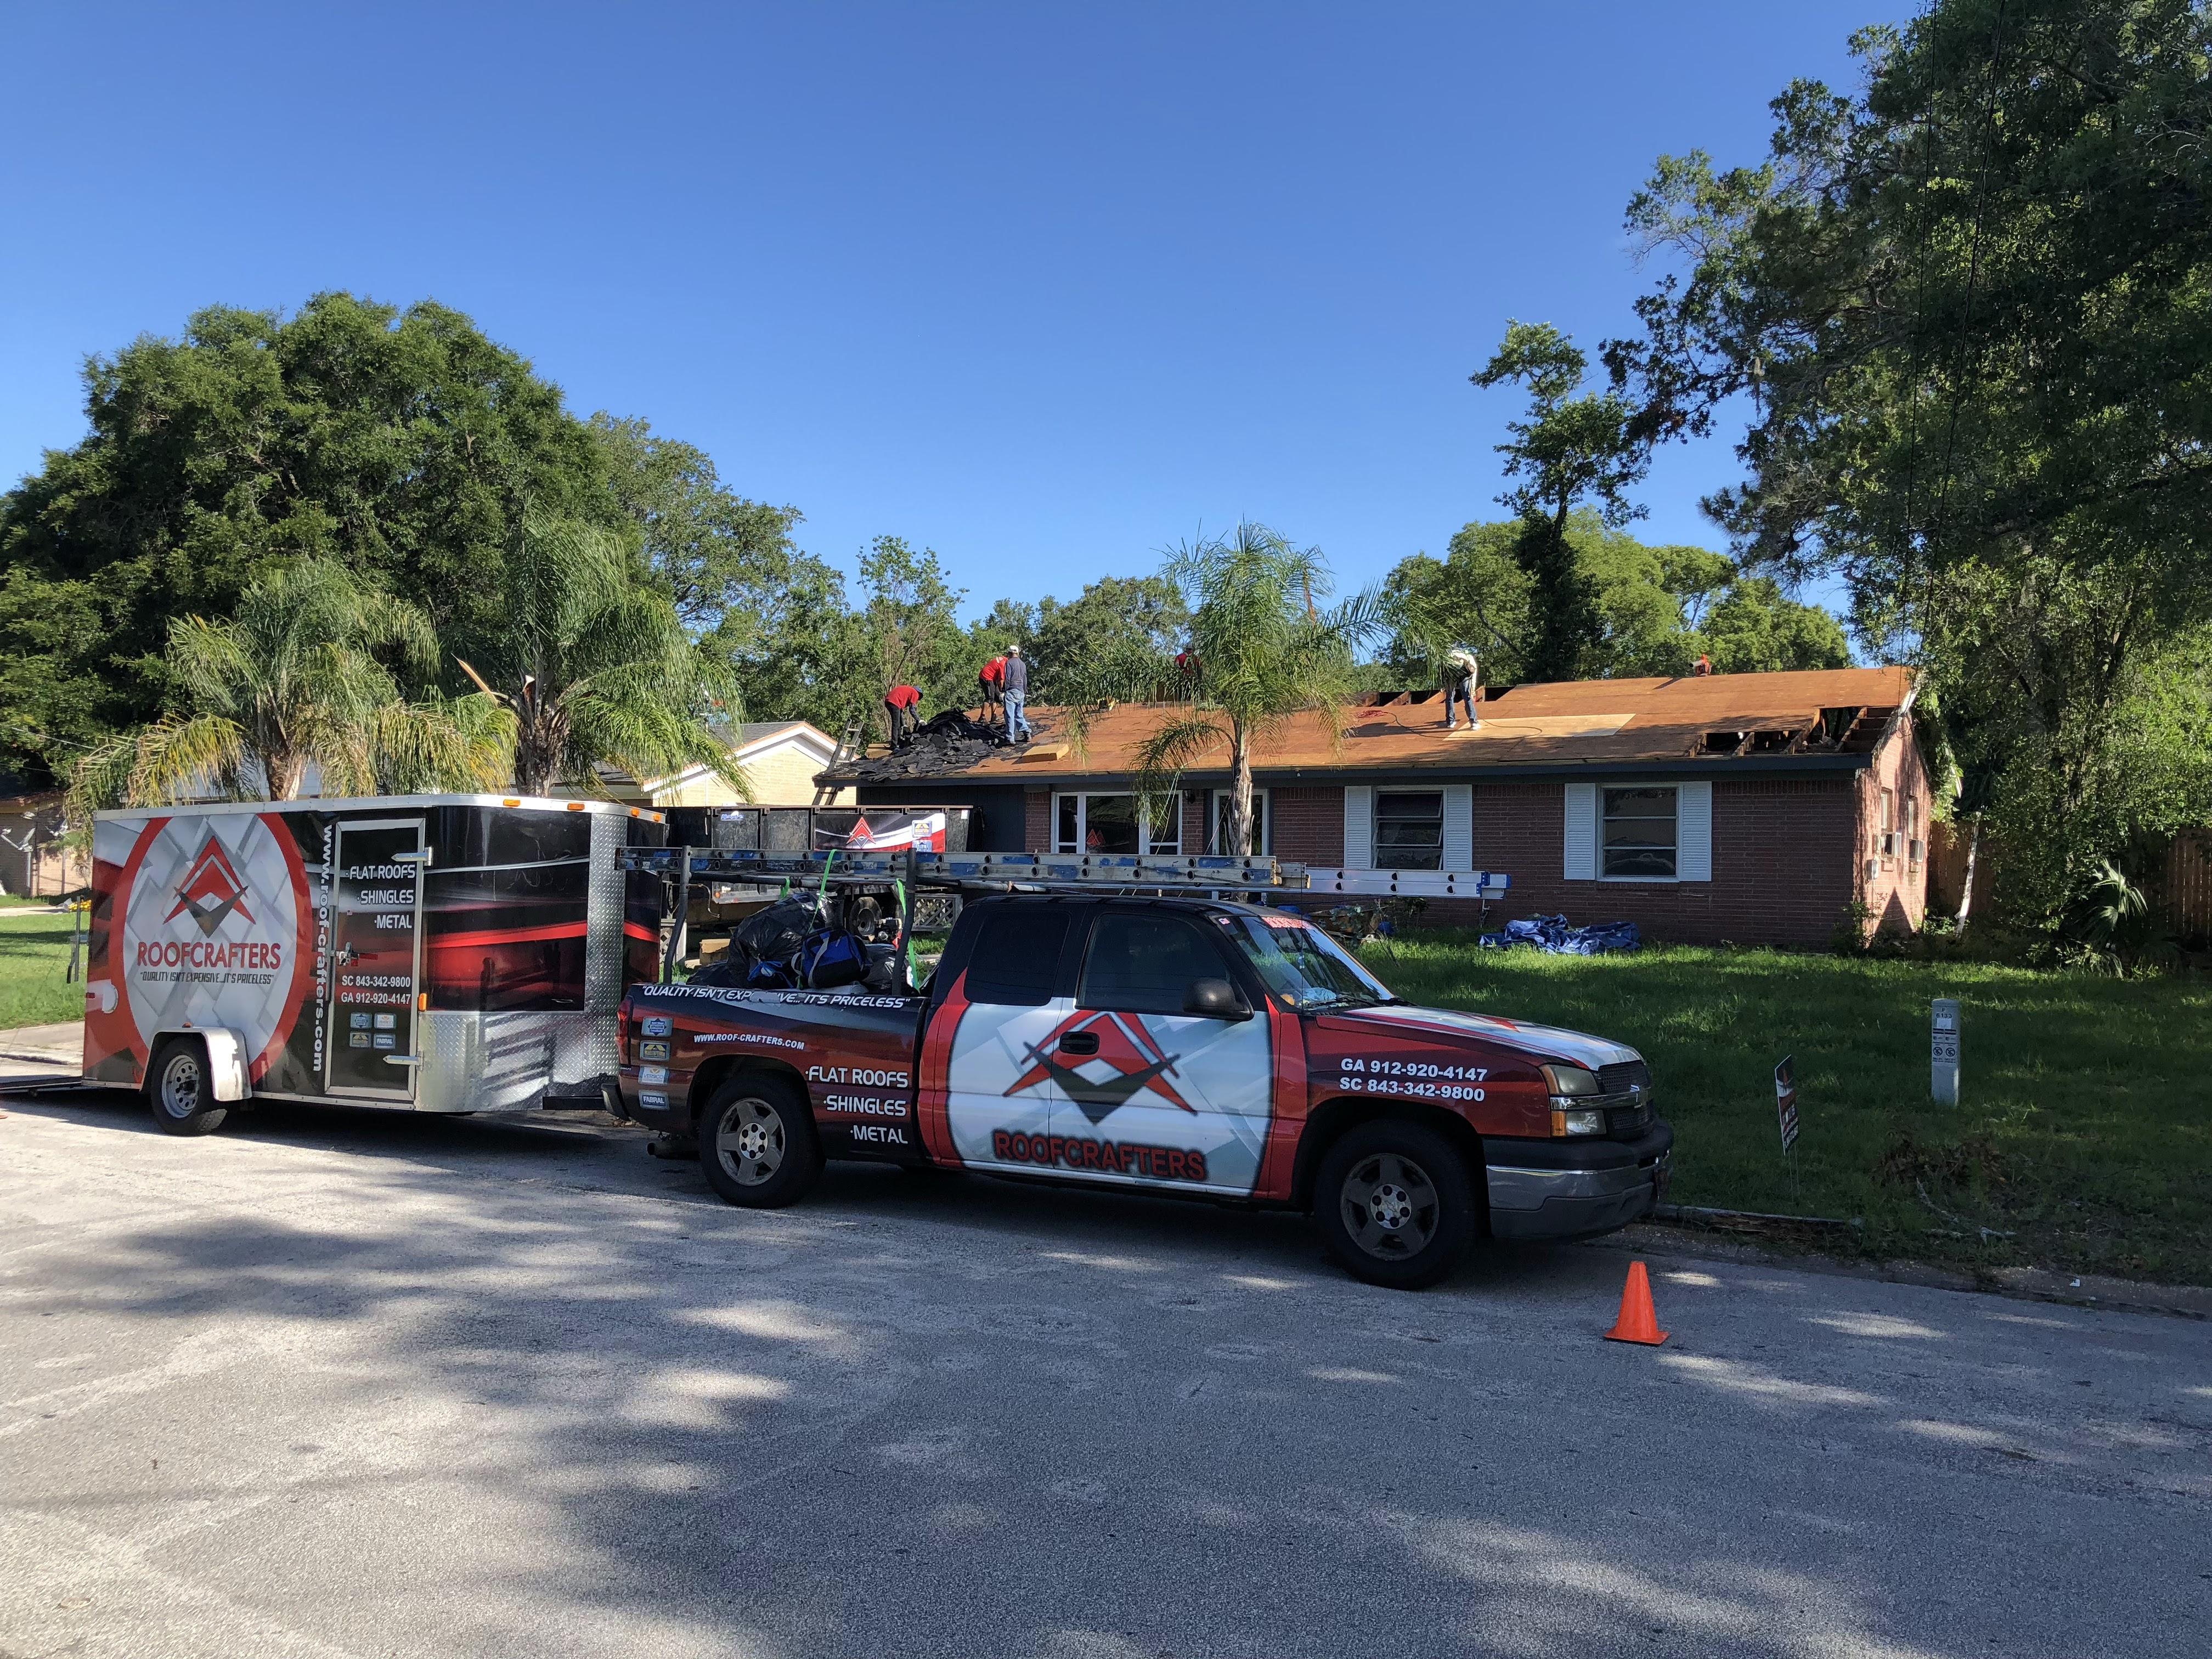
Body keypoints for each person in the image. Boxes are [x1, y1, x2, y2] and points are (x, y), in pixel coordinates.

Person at [1442, 645, 1481, 730]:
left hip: (1451, 675)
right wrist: (1472, 690)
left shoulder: (1447, 657)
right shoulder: (1469, 659)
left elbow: (1442, 671)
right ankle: (1473, 722)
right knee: (1468, 697)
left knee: (1450, 697)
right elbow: (1473, 675)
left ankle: (1451, 721)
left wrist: (1442, 684)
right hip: (1457, 676)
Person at [1001, 644, 1031, 741]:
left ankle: (1010, 737)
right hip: (1021, 691)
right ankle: (1026, 731)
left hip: (1012, 691)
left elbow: (1007, 679)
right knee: (1019, 714)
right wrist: (1024, 690)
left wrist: (1004, 691)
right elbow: (1025, 679)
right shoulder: (1023, 664)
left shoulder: (1009, 663)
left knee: (1010, 715)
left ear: (1010, 653)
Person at [883, 682, 921, 748]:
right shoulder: (915, 693)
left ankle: (898, 740)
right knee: (896, 724)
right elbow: (912, 710)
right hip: (894, 702)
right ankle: (894, 746)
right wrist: (919, 720)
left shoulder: (909, 690)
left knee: (900, 722)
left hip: (890, 701)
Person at [978, 652, 1007, 728]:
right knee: (990, 697)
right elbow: (1002, 680)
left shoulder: (1003, 659)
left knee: (996, 697)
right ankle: (982, 717)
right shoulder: (1004, 664)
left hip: (992, 678)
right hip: (986, 677)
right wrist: (1003, 690)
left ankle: (993, 717)